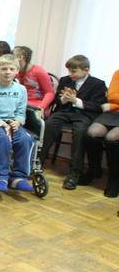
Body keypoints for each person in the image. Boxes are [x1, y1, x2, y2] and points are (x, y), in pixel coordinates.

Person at [39, 55, 107, 190]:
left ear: (86, 69)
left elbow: (97, 106)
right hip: (64, 112)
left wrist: (76, 101)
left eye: (74, 71)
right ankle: (37, 163)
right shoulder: (65, 80)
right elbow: (56, 101)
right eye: (69, 70)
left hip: (83, 115)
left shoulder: (98, 84)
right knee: (48, 125)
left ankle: (74, 173)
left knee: (80, 133)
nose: (70, 74)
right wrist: (63, 99)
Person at [0, 54, 35, 192]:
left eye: (11, 69)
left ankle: (18, 177)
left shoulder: (21, 89)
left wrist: (18, 122)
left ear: (17, 71)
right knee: (3, 139)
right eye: (4, 68)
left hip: (13, 122)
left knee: (26, 139)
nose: (8, 72)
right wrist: (2, 124)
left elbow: (21, 112)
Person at [87, 69, 119, 197]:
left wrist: (114, 105)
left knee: (111, 137)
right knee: (92, 133)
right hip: (113, 113)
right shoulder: (118, 73)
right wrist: (114, 105)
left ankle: (114, 178)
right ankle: (94, 169)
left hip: (113, 108)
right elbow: (112, 96)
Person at [13, 46, 55, 113]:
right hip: (20, 102)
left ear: (21, 57)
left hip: (36, 104)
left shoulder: (38, 71)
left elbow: (49, 93)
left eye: (14, 56)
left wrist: (41, 107)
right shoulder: (14, 71)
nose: (11, 59)